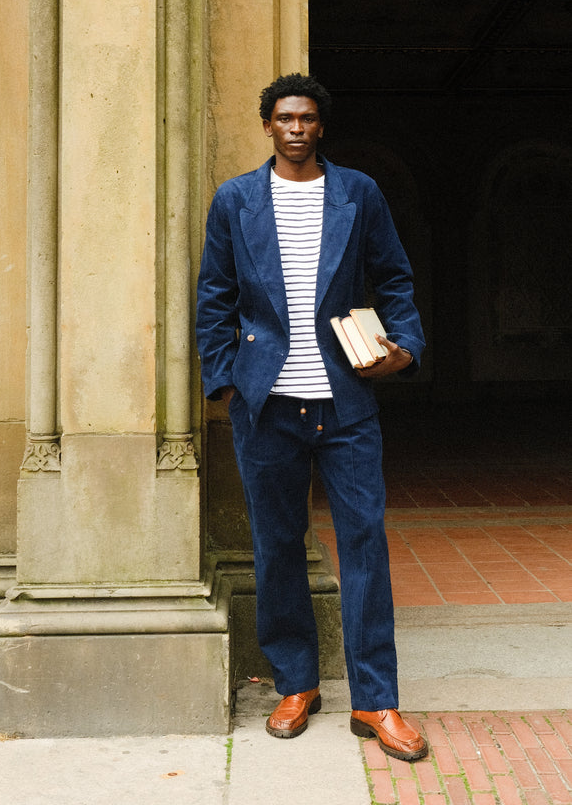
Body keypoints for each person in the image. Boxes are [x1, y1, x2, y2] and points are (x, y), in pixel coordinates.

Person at [196, 73, 428, 762]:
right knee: (275, 548)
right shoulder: (235, 199)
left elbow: (392, 278)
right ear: (267, 125)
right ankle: (295, 685)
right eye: (283, 117)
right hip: (265, 406)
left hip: (346, 403)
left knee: (365, 547)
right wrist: (226, 381)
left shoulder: (357, 192)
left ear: (319, 126)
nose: (295, 127)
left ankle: (375, 701)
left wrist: (405, 348)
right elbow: (215, 294)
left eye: (306, 118)